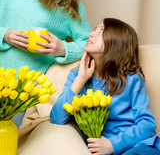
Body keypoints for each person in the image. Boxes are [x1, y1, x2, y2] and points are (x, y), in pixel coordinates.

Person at [0, 0, 91, 127]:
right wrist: (4, 34)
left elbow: (88, 42)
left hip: (24, 97)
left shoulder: (68, 2)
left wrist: (63, 49)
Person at [50, 18, 160, 155]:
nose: (91, 33)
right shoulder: (77, 77)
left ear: (117, 43)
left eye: (101, 30)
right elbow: (57, 118)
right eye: (95, 29)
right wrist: (81, 79)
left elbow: (148, 125)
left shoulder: (132, 78)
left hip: (135, 146)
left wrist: (112, 145)